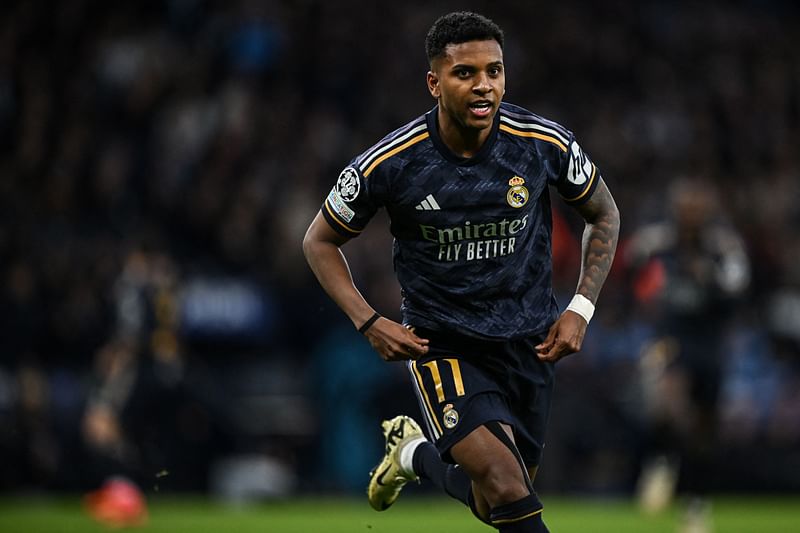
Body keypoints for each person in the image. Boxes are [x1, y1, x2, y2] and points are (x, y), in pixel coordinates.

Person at [302, 11, 620, 532]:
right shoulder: (394, 162)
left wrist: (580, 309)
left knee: (494, 498)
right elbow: (319, 239)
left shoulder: (541, 144)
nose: (483, 86)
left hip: (529, 342)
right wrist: (368, 320)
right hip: (444, 344)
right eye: (465, 73)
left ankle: (413, 457)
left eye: (494, 71)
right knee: (505, 483)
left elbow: (603, 212)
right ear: (434, 82)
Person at [628, 178, 749, 532]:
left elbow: (739, 286)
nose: (688, 217)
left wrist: (709, 277)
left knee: (705, 429)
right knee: (669, 403)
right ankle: (663, 460)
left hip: (710, 344)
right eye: (683, 210)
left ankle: (695, 502)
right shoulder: (659, 242)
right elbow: (631, 262)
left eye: (695, 210)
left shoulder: (722, 248)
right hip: (671, 338)